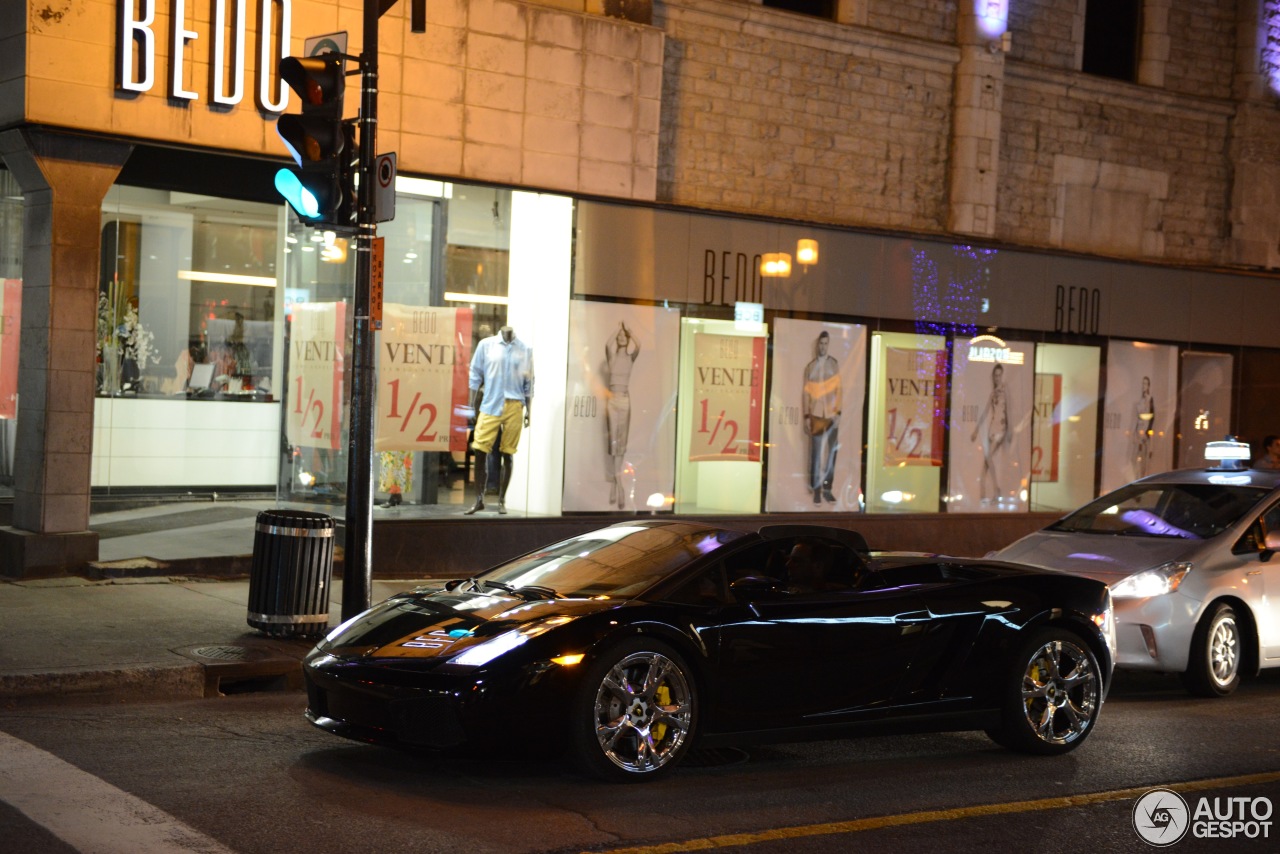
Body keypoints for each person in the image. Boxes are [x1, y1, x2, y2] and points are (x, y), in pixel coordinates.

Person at [464, 325, 534, 515]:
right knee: (480, 449)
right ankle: (479, 499)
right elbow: (475, 374)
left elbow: (529, 382)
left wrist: (529, 410)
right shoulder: (486, 345)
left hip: (515, 404)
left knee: (508, 452)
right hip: (490, 402)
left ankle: (502, 500)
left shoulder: (525, 349)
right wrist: (471, 404)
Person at [802, 330, 842, 505]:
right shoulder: (810, 367)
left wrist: (838, 412)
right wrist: (806, 416)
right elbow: (806, 393)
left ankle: (828, 488)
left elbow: (839, 390)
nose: (823, 346)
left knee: (831, 453)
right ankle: (816, 489)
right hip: (817, 414)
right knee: (816, 453)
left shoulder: (834, 364)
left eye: (826, 343)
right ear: (817, 344)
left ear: (828, 344)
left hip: (832, 414)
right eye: (821, 343)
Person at [604, 321, 640, 509]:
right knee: (613, 443)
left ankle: (617, 486)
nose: (621, 339)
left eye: (623, 337)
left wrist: (629, 331)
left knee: (621, 442)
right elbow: (607, 345)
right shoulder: (612, 357)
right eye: (620, 337)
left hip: (625, 399)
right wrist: (616, 329)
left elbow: (639, 345)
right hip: (612, 399)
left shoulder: (630, 357)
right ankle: (617, 487)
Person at [971, 363, 1011, 506]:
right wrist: (976, 430)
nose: (997, 378)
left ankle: (996, 490)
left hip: (1000, 429)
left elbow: (1008, 412)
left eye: (1000, 375)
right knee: (986, 465)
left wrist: (1010, 430)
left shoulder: (1005, 392)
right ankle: (984, 494)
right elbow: (986, 411)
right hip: (992, 430)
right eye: (996, 375)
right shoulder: (993, 394)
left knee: (988, 457)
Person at [1132, 375, 1156, 477]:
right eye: (1143, 383)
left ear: (1148, 386)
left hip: (1146, 433)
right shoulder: (1139, 401)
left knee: (1145, 458)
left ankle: (1143, 477)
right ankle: (1137, 477)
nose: (1143, 386)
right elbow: (1137, 418)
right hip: (1139, 431)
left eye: (1145, 384)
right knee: (1136, 457)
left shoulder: (1150, 399)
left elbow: (1152, 417)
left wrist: (1147, 432)